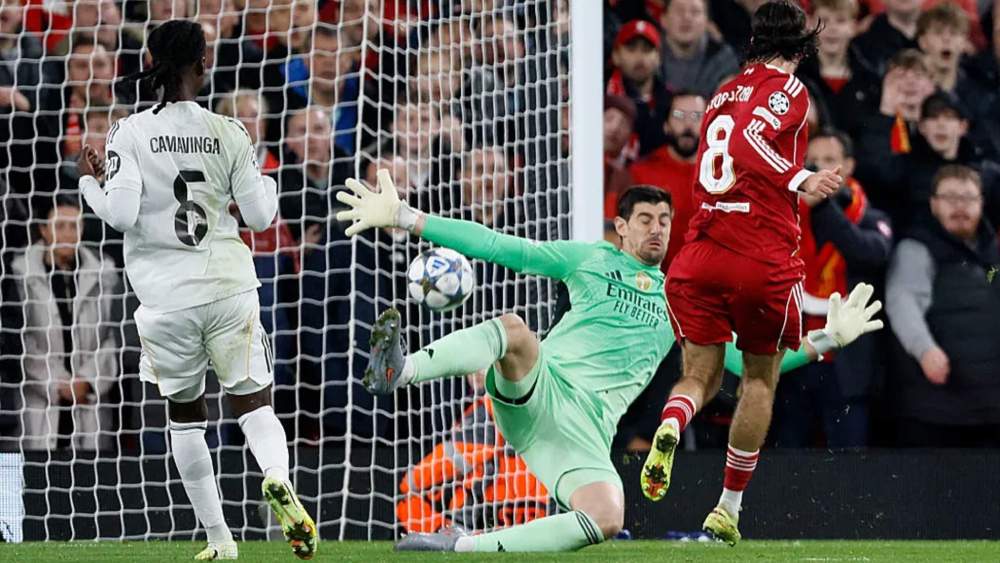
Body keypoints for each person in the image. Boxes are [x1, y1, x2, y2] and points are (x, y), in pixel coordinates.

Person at [334, 178, 879, 552]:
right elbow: (501, 246)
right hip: (543, 387)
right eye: (645, 219)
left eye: (666, 220)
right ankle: (401, 371)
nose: (657, 229)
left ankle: (462, 545)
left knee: (606, 517)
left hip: (584, 433)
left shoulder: (681, 296)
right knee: (516, 332)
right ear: (622, 227)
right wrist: (409, 218)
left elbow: (752, 362)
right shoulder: (590, 259)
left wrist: (829, 337)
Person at [640, 1, 882, 546]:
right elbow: (750, 143)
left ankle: (673, 422)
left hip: (699, 254)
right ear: (802, 47)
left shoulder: (723, 90)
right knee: (758, 379)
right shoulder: (789, 89)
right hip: (757, 252)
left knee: (698, 375)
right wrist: (800, 178)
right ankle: (727, 508)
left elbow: (731, 143)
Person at [73, 19, 316, 560]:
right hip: (229, 286)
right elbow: (258, 216)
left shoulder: (128, 131)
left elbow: (121, 214)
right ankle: (276, 474)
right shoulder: (231, 131)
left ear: (149, 63)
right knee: (254, 405)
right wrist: (269, 183)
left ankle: (219, 540)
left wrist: (91, 182)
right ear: (203, 64)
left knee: (186, 418)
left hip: (166, 301)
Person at [886, 165, 1000, 447]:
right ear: (934, 203)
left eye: (968, 198)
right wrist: (924, 350)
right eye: (950, 198)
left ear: (981, 203)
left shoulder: (991, 252)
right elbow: (903, 301)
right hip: (936, 406)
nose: (960, 206)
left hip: (990, 406)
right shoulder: (917, 248)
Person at [13, 198, 120, 451]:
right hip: (39, 403)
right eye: (60, 226)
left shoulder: (103, 273)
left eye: (74, 226)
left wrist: (87, 380)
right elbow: (19, 339)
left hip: (88, 401)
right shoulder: (20, 274)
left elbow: (111, 337)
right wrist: (59, 383)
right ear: (43, 229)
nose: (68, 234)